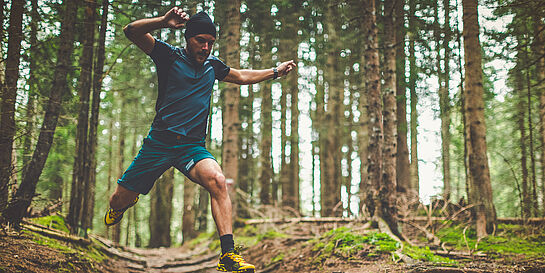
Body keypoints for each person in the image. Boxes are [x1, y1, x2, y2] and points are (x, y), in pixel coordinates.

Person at [103, 7, 296, 273]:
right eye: (200, 40)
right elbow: (131, 31)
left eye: (210, 42)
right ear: (188, 38)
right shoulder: (168, 56)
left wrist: (275, 71)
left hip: (191, 146)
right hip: (159, 143)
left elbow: (240, 76)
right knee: (117, 201)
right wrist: (162, 22)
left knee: (217, 181)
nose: (205, 47)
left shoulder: (213, 66)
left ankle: (228, 255)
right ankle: (125, 202)